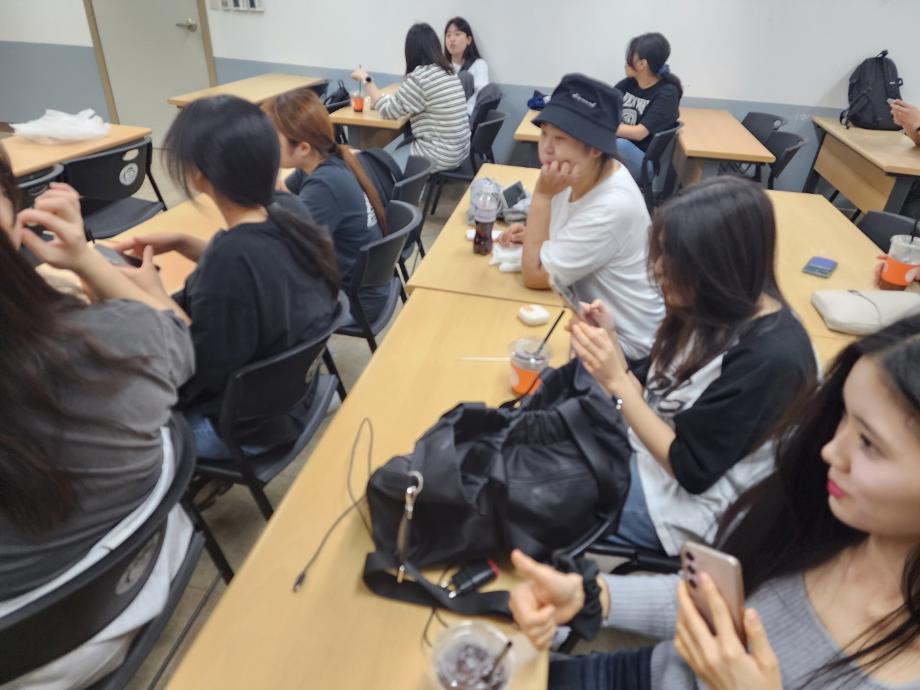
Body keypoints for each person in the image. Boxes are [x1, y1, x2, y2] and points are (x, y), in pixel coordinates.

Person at [510, 314, 920, 690]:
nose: (831, 451)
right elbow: (714, 605)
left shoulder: (766, 358)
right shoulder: (820, 517)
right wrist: (592, 595)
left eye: (869, 443)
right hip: (650, 673)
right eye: (843, 417)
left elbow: (688, 465)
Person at [0, 148, 195, 688]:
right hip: (146, 576)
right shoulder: (122, 340)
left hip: (26, 661)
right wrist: (87, 260)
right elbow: (176, 333)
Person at [569, 176, 817, 554]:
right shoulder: (715, 306)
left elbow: (690, 470)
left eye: (674, 258)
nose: (658, 269)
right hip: (650, 461)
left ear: (719, 266)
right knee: (537, 445)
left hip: (692, 508)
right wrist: (612, 346)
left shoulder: (774, 359)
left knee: (534, 490)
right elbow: (654, 395)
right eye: (661, 252)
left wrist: (616, 381)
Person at [113, 95, 340, 459]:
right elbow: (258, 269)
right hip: (294, 400)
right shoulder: (289, 209)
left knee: (117, 412)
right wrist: (184, 242)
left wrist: (155, 295)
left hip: (243, 428)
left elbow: (197, 368)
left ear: (198, 175)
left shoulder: (231, 257)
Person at [497, 73, 664, 362]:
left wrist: (541, 198)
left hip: (624, 347)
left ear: (595, 148)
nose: (547, 148)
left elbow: (535, 275)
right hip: (586, 316)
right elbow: (566, 228)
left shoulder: (613, 205)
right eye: (544, 134)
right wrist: (533, 232)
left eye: (560, 138)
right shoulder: (580, 169)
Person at [263, 87, 389, 322]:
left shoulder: (325, 185)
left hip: (355, 302)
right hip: (365, 286)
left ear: (303, 147)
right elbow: (283, 194)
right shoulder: (324, 159)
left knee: (262, 296)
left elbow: (285, 250)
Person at [351, 23, 470, 172]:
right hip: (459, 151)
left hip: (440, 154)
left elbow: (388, 111)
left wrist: (366, 79)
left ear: (411, 51)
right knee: (398, 150)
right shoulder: (448, 71)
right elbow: (403, 102)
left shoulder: (421, 78)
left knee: (385, 170)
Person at [614, 32, 683, 183]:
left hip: (643, 162)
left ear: (642, 64)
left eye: (629, 57)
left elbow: (639, 133)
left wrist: (603, 126)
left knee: (620, 145)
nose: (625, 63)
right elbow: (604, 108)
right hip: (616, 152)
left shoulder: (667, 93)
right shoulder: (628, 84)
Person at [444, 16, 490, 118]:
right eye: (448, 35)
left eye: (457, 34)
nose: (452, 39)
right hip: (445, 118)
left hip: (467, 118)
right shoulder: (441, 67)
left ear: (468, 40)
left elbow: (481, 97)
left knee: (465, 77)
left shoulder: (479, 65)